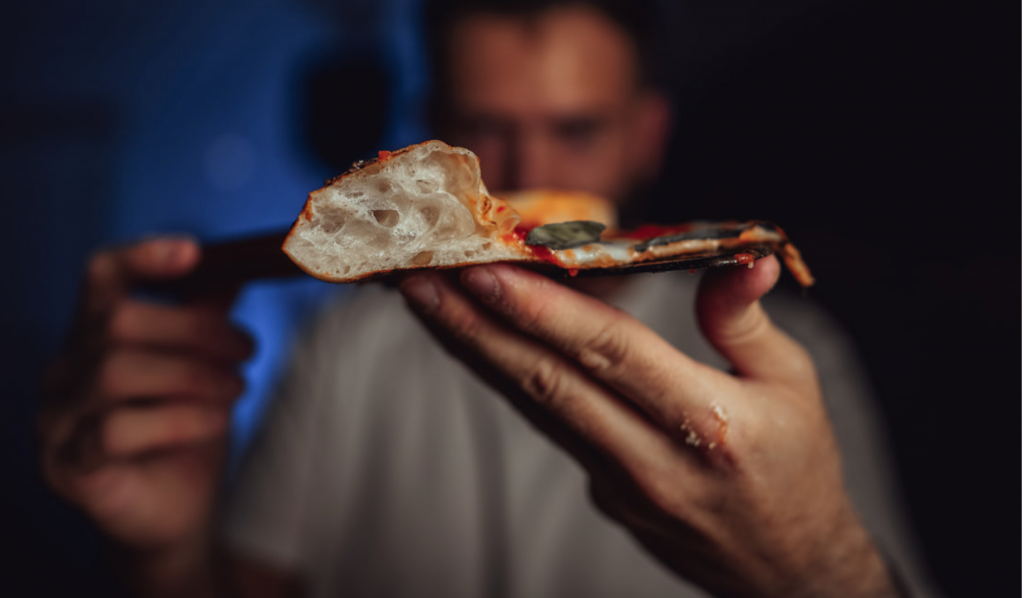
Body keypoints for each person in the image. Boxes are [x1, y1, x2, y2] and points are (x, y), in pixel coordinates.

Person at [39, 1, 939, 596]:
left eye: (576, 130)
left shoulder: (787, 359)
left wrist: (821, 571)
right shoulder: (347, 351)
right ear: (432, 131)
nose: (528, 176)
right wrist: (161, 553)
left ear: (646, 137)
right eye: (482, 132)